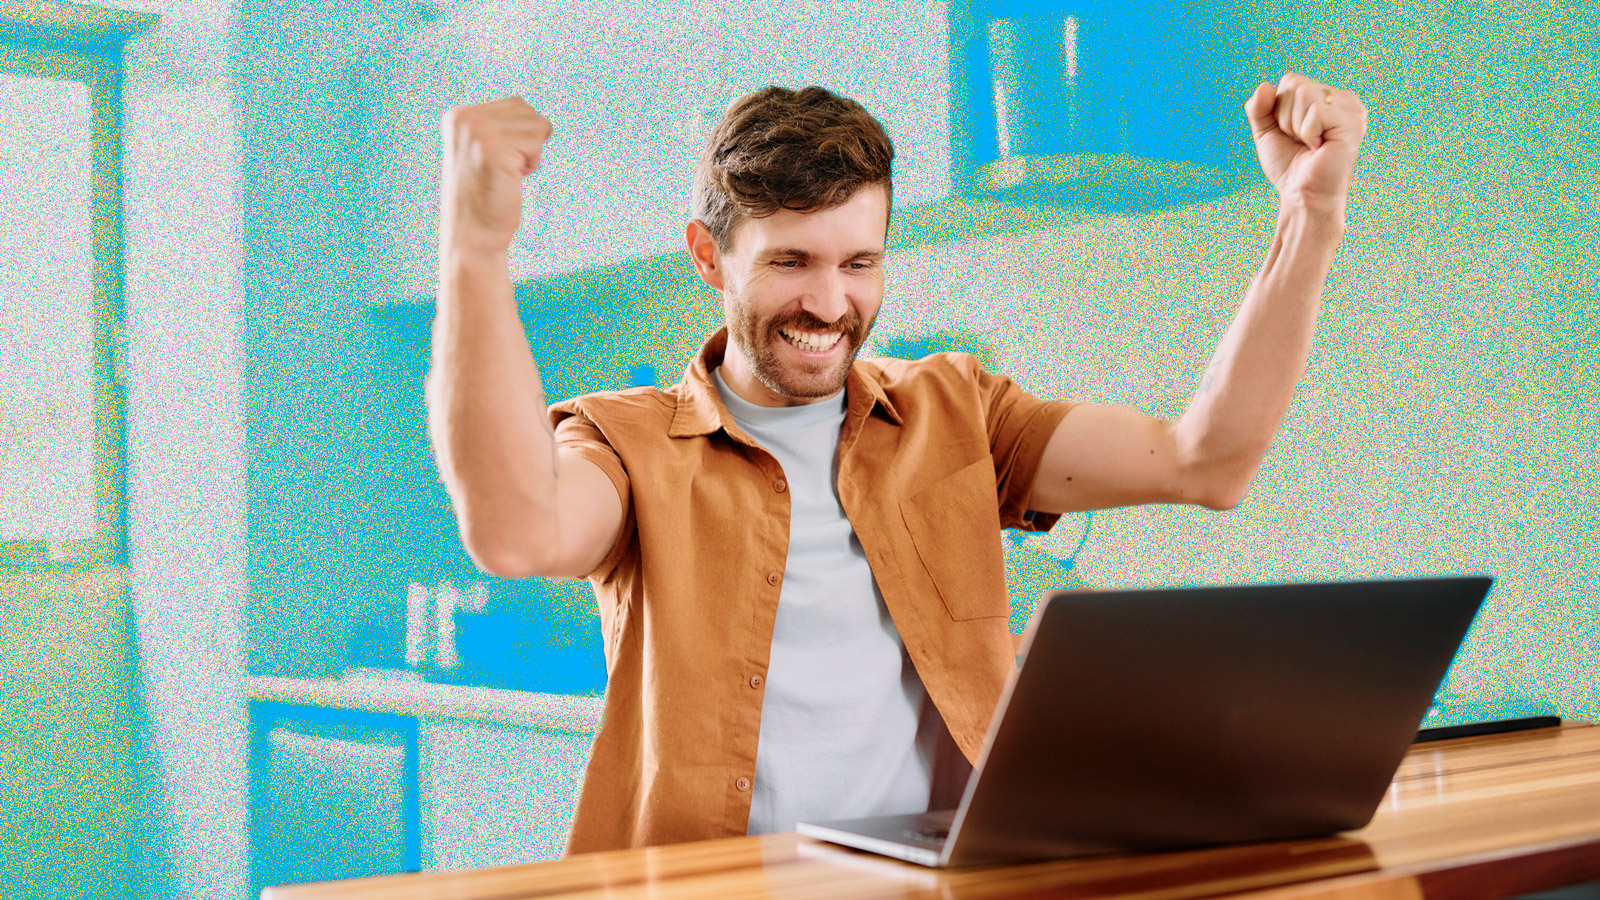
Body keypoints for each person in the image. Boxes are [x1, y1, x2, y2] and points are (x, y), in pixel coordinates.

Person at [426, 76, 1368, 855]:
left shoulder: (954, 412)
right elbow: (515, 530)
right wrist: (475, 253)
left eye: (859, 264)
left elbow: (1207, 462)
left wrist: (1308, 216)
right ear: (709, 257)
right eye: (792, 261)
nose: (830, 303)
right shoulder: (627, 440)